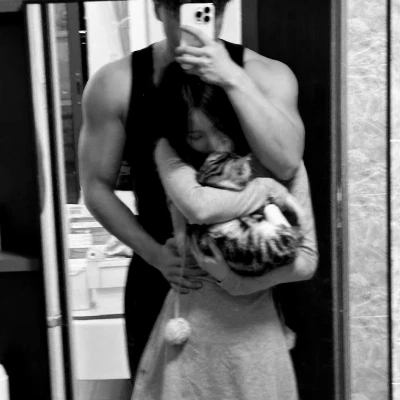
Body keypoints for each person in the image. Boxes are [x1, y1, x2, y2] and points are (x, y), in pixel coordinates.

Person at [78, 0, 305, 381]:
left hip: (252, 274)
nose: (197, 23)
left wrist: (231, 78)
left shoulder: (265, 75)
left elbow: (286, 162)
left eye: (210, 8)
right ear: (158, 9)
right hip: (166, 272)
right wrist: (154, 254)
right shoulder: (115, 83)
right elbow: (95, 188)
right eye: (180, 10)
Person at [129, 64, 318, 399]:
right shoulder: (170, 152)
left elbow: (306, 262)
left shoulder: (281, 158)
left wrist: (234, 281)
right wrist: (266, 190)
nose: (214, 146)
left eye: (220, 128)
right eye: (195, 136)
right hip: (191, 333)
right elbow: (200, 207)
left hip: (256, 336)